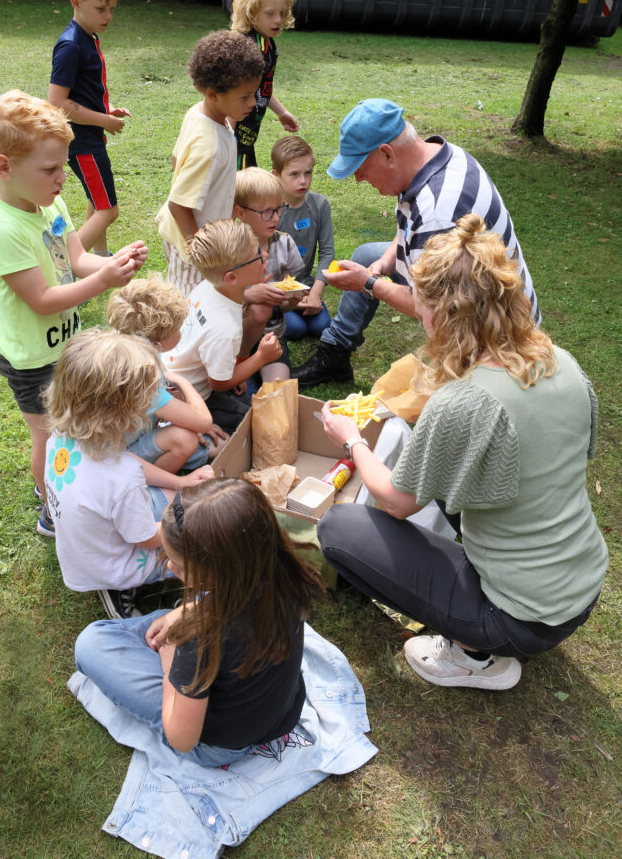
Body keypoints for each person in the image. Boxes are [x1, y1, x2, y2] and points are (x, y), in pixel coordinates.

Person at [317, 214, 608, 691]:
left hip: (518, 618)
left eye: (422, 303)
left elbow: (395, 500)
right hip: (580, 590)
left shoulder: (465, 400)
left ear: (446, 313)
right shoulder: (561, 361)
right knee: (441, 481)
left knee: (338, 529)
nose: (419, 314)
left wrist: (349, 437)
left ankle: (471, 655)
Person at [0, 90, 148, 537]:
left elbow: (75, 260)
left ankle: (62, 487)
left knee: (70, 428)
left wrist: (109, 267)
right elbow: (43, 299)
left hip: (63, 343)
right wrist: (103, 282)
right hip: (32, 358)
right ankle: (52, 513)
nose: (61, 179)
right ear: (3, 167)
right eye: (50, 169)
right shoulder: (1, 228)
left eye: (62, 166)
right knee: (50, 436)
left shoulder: (49, 201)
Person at [291, 99, 539, 388]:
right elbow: (408, 228)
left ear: (386, 154)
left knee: (366, 274)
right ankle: (335, 352)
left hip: (496, 331)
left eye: (360, 167)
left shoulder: (438, 213)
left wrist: (368, 283)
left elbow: (432, 309)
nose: (358, 178)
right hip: (471, 289)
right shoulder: (435, 159)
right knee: (366, 256)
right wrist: (383, 263)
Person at [74, 478, 325, 761]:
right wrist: (184, 612)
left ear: (220, 570)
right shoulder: (281, 573)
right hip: (278, 715)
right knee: (161, 623)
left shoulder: (199, 638)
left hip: (217, 747)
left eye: (179, 566)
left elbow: (182, 739)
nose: (169, 567)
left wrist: (171, 654)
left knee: (91, 643)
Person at [43, 329, 214, 619]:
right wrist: (194, 520)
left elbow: (127, 464)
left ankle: (110, 577)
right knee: (205, 537)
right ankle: (120, 588)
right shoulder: (120, 479)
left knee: (181, 499)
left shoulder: (62, 436)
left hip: (85, 549)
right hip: (117, 563)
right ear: (123, 412)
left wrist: (181, 483)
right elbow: (147, 539)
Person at [155, 30, 265, 297]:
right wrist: (200, 253)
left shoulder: (204, 113)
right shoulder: (209, 145)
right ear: (213, 94)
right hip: (193, 244)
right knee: (188, 305)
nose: (254, 103)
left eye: (254, 93)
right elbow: (178, 203)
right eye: (244, 97)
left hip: (197, 235)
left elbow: (176, 158)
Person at [163, 219, 282, 434]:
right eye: (257, 255)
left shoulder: (208, 286)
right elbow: (218, 382)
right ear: (232, 277)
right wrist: (261, 358)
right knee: (254, 421)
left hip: (175, 375)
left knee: (243, 396)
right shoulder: (225, 328)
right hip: (191, 398)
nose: (265, 255)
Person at [49, 0, 130, 254]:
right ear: (76, 1)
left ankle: (99, 256)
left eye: (111, 9)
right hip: (82, 142)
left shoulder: (88, 37)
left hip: (90, 136)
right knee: (108, 210)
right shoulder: (71, 45)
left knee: (95, 200)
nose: (107, 15)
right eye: (100, 8)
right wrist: (103, 121)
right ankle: (66, 267)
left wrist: (106, 113)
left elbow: (82, 95)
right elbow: (57, 102)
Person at [106, 274, 229, 471]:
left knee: (215, 442)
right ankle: (148, 486)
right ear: (158, 343)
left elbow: (163, 376)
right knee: (199, 441)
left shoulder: (128, 346)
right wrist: (183, 382)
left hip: (132, 434)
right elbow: (205, 422)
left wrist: (186, 418)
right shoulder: (142, 381)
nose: (181, 332)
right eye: (178, 329)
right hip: (117, 457)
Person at [233, 166, 303, 382]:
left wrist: (292, 300)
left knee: (279, 390)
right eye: (266, 212)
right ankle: (242, 364)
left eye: (278, 209)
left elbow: (286, 300)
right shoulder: (230, 249)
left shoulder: (284, 242)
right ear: (241, 213)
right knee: (242, 399)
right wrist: (247, 296)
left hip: (272, 336)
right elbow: (215, 296)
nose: (275, 218)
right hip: (234, 339)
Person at [230, 0, 299, 168]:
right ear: (251, 12)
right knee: (241, 193)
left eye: (282, 12)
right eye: (270, 14)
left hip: (246, 139)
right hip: (236, 141)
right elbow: (232, 92)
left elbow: (260, 87)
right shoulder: (251, 48)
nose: (278, 20)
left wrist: (281, 112)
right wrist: (227, 136)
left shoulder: (266, 42)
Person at [273, 135, 334, 340]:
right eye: (294, 174)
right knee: (296, 329)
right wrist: (290, 294)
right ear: (276, 175)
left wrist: (316, 292)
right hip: (277, 288)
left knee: (322, 326)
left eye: (308, 173)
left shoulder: (319, 204)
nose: (303, 180)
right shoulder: (270, 209)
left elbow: (327, 251)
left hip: (306, 287)